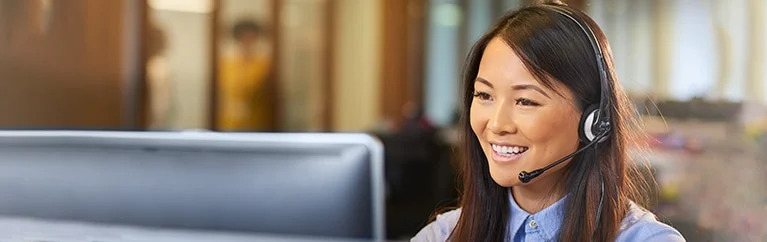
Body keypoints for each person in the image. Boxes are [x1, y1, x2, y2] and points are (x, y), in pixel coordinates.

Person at [412, 2, 685, 242]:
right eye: (484, 95)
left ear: (594, 121)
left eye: (525, 101)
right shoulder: (443, 235)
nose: (496, 124)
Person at [217, 19, 274, 131]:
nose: (247, 41)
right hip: (229, 122)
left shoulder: (264, 64)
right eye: (244, 37)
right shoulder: (226, 64)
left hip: (257, 122)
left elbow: (257, 87)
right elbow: (226, 86)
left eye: (251, 37)